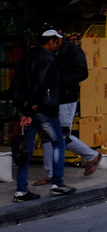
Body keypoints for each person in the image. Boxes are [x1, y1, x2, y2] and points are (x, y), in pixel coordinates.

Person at [13, 29, 76, 202]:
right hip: (42, 110)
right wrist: (29, 110)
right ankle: (57, 184)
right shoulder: (48, 59)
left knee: (26, 149)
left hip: (29, 109)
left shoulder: (26, 57)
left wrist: (24, 108)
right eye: (57, 42)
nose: (58, 46)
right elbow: (40, 84)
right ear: (51, 42)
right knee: (59, 143)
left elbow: (17, 84)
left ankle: (21, 191)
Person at [34, 32, 100, 186]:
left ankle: (91, 155)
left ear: (57, 39)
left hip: (66, 98)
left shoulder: (73, 50)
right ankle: (50, 174)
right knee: (47, 134)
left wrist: (61, 82)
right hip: (50, 98)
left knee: (61, 135)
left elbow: (82, 72)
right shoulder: (50, 51)